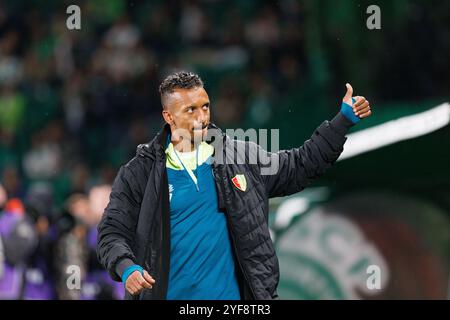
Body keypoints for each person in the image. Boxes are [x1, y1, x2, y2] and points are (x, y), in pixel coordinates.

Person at [97, 71, 372, 300]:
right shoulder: (140, 172)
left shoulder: (240, 157)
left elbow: (300, 165)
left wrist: (342, 121)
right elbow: (111, 232)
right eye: (189, 110)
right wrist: (126, 267)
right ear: (168, 117)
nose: (201, 117)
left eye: (205, 106)